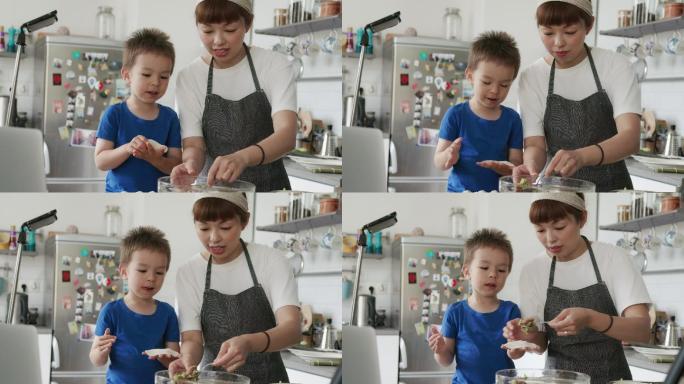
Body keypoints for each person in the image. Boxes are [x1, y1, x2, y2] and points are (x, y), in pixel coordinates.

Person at [503, 193, 651, 383]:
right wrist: (525, 337)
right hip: (557, 379)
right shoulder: (532, 270)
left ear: (582, 218)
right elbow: (540, 343)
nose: (550, 239)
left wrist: (591, 318)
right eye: (540, 230)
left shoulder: (613, 258)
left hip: (612, 376)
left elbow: (642, 330)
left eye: (559, 227)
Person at [169, 192, 301, 383]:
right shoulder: (188, 272)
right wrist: (186, 361)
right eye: (204, 228)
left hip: (269, 377)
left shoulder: (271, 260)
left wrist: (249, 342)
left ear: (244, 222)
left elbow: (292, 329)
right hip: (212, 379)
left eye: (225, 227)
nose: (213, 238)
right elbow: (192, 339)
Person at [514, 0, 641, 191]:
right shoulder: (531, 77)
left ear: (589, 25)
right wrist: (530, 169)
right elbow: (535, 145)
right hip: (557, 190)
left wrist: (582, 157)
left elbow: (630, 137)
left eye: (570, 32)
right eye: (548, 33)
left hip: (613, 188)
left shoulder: (616, 65)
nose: (558, 43)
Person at [171, 0, 298, 191]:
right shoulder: (189, 77)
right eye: (207, 31)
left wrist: (243, 157)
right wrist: (191, 166)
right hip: (214, 190)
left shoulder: (275, 65)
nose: (218, 40)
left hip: (271, 187)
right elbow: (194, 145)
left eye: (229, 30)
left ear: (248, 24)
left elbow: (287, 134)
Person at [433, 31, 523, 192]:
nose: (495, 90)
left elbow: (516, 163)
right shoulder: (455, 115)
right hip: (460, 194)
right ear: (470, 75)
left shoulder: (513, 119)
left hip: (497, 196)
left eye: (504, 85)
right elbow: (438, 161)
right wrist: (448, 156)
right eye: (487, 82)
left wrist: (505, 168)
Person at [94, 28, 182, 192]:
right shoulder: (114, 114)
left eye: (164, 76)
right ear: (127, 75)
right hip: (118, 197)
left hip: (156, 200)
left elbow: (176, 166)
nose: (156, 82)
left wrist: (154, 159)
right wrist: (128, 148)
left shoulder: (170, 118)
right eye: (147, 74)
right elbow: (101, 162)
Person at [428, 228, 521, 384]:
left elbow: (516, 352)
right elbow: (446, 360)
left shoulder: (511, 311)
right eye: (484, 268)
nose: (493, 274)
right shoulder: (455, 312)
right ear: (466, 271)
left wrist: (517, 350)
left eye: (501, 270)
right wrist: (440, 350)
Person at [90, 226, 180, 384]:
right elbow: (97, 361)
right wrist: (101, 352)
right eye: (142, 270)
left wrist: (167, 358)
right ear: (124, 272)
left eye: (159, 272)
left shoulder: (168, 313)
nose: (151, 278)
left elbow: (174, 364)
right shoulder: (111, 312)